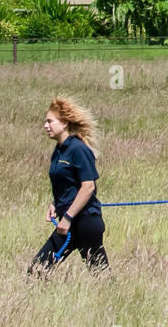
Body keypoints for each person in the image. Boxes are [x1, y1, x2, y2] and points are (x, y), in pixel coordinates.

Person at [28, 96, 110, 275]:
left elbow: (88, 187)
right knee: (37, 271)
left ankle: (118, 300)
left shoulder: (78, 149)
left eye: (50, 121)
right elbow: (66, 183)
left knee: (101, 274)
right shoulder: (58, 150)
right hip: (68, 222)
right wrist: (55, 204)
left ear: (64, 123)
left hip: (85, 222)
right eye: (45, 122)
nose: (45, 126)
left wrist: (67, 218)